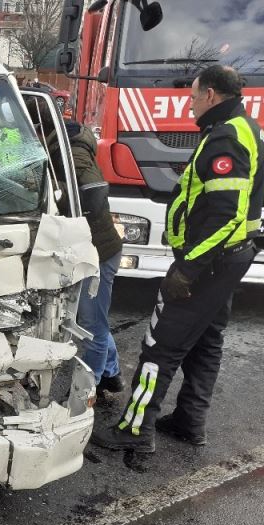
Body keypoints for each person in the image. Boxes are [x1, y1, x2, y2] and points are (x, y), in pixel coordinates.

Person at [91, 65, 262, 452]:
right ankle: (189, 421)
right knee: (206, 341)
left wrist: (188, 268)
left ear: (212, 96)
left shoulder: (227, 138)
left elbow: (225, 215)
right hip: (228, 259)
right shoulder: (240, 128)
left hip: (209, 262)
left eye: (194, 96)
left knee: (159, 344)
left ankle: (135, 431)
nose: (190, 104)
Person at [27, 97, 125, 397]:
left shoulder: (71, 150)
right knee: (95, 317)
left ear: (38, 127)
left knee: (90, 323)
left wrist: (72, 221)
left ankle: (87, 390)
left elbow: (93, 192)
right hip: (90, 246)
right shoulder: (61, 144)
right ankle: (112, 372)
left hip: (97, 249)